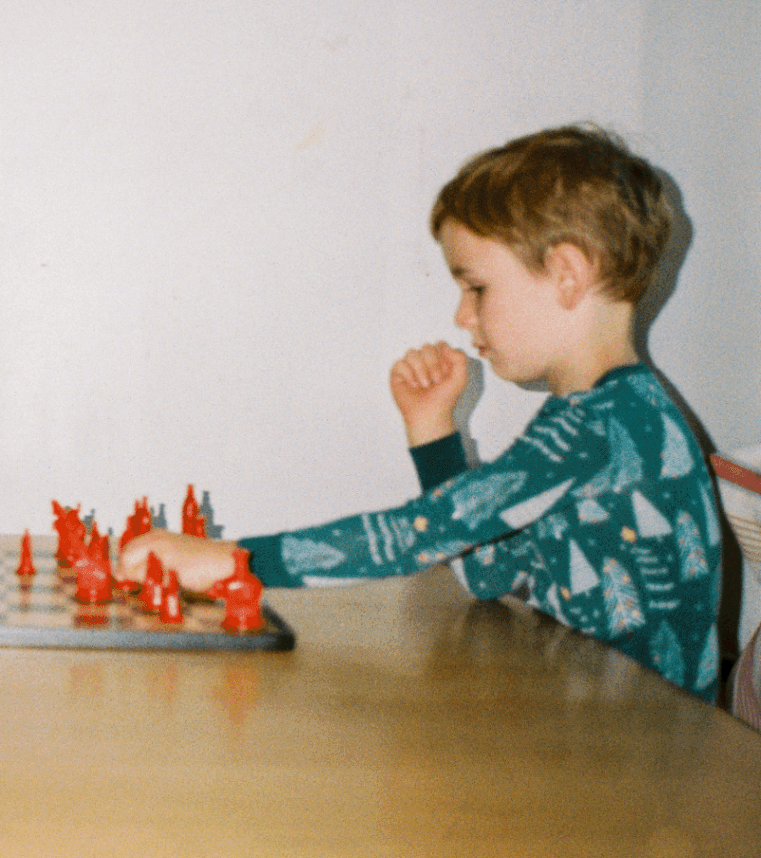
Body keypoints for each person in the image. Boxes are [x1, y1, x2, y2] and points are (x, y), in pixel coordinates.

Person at [123, 126, 723, 700]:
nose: (462, 316)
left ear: (567, 274)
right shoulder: (625, 410)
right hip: (614, 741)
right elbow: (486, 573)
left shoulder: (597, 425)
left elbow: (414, 537)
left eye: (476, 287)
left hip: (635, 763)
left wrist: (232, 563)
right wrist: (433, 426)